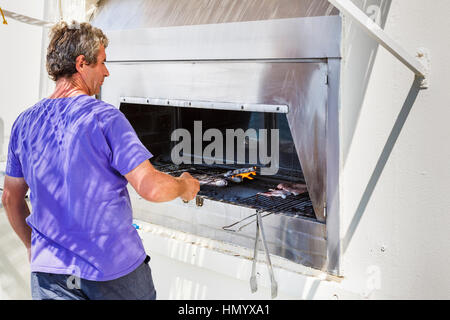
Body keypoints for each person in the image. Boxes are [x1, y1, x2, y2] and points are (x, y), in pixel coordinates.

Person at [1, 21, 200, 300]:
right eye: (102, 63)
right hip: (112, 272)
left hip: (51, 276)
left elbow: (11, 197)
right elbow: (151, 187)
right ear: (82, 63)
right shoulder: (104, 118)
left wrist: (33, 248)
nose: (106, 72)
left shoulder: (25, 122)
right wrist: (183, 186)